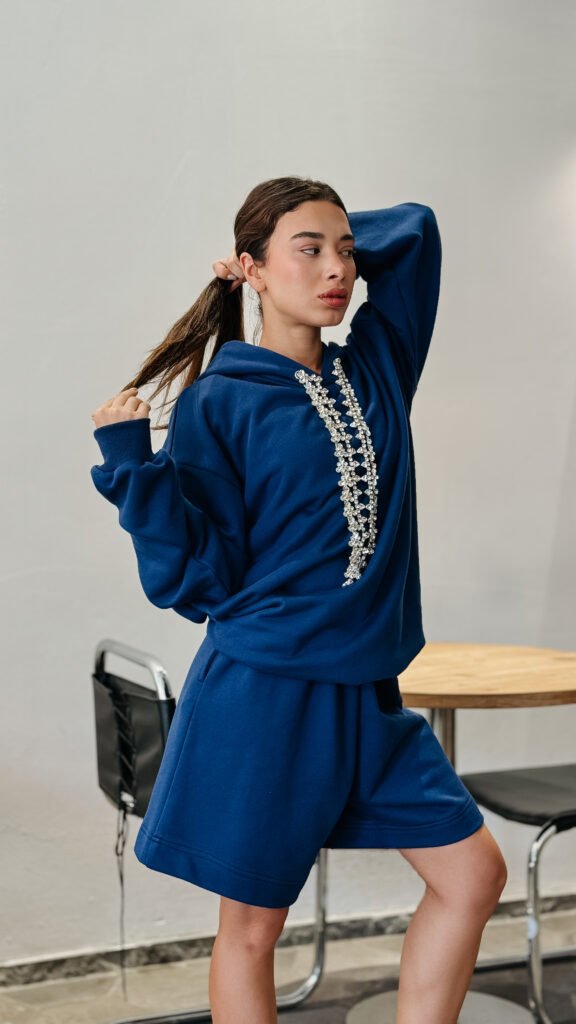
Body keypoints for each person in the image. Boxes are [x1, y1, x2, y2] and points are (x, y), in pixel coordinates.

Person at [90, 176, 507, 1024]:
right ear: (253, 269)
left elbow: (416, 232)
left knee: (473, 876)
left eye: (345, 251)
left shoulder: (378, 367)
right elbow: (195, 582)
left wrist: (310, 244)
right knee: (252, 929)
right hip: (265, 695)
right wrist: (133, 465)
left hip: (369, 697)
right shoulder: (218, 402)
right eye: (308, 252)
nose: (337, 270)